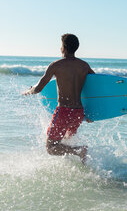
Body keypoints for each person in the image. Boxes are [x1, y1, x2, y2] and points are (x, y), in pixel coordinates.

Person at [23, 34, 95, 162]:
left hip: (64, 111)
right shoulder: (84, 66)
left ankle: (79, 151)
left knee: (51, 147)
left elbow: (39, 88)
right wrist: (91, 114)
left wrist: (28, 91)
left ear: (64, 48)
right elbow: (95, 88)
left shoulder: (56, 65)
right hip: (78, 112)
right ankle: (75, 161)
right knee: (66, 141)